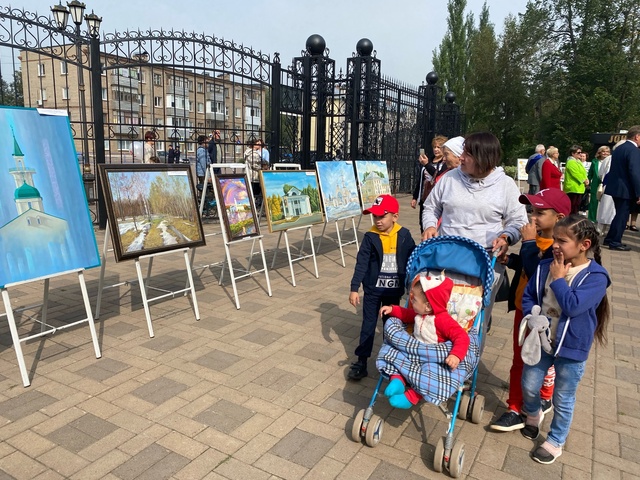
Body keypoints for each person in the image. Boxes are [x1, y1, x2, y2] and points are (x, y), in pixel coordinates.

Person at [520, 215, 610, 464]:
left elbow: (572, 306)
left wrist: (559, 279)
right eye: (555, 239)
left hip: (571, 347)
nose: (555, 245)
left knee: (563, 396)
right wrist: (532, 315)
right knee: (529, 383)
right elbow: (530, 295)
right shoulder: (544, 266)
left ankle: (556, 440)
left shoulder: (596, 277)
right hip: (542, 339)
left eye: (562, 240)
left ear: (584, 245)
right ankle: (534, 412)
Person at [422, 132, 528, 329]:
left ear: (484, 158)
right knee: (438, 316)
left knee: (471, 323)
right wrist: (429, 225)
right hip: (446, 260)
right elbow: (431, 207)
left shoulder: (505, 185)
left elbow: (518, 221)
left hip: (484, 263)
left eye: (467, 154)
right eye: (462, 152)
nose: (461, 157)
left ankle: (467, 357)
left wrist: (506, 237)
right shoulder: (449, 178)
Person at [490, 188, 571, 432]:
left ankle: (544, 397)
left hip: (546, 316)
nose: (532, 217)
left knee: (544, 360)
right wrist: (511, 261)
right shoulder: (536, 240)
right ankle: (514, 407)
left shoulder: (561, 247)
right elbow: (527, 266)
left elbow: (539, 268)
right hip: (522, 309)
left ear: (559, 218)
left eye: (539, 212)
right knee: (519, 359)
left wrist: (526, 243)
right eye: (531, 211)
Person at [348, 194, 416, 381]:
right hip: (372, 290)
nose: (377, 221)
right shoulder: (370, 237)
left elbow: (413, 258)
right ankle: (362, 361)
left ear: (395, 216)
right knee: (368, 325)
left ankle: (391, 360)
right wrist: (355, 288)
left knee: (391, 327)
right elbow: (361, 263)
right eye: (374, 216)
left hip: (393, 292)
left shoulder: (404, 235)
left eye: (382, 216)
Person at [378, 271, 469, 408]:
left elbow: (462, 336)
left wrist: (456, 355)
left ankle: (412, 396)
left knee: (432, 376)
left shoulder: (443, 320)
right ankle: (397, 380)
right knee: (392, 353)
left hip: (431, 358)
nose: (411, 301)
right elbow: (406, 314)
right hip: (413, 351)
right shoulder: (419, 313)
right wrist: (392, 309)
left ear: (427, 306)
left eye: (414, 300)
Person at [603, 126, 640, 250]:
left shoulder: (619, 148)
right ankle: (615, 241)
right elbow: (634, 172)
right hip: (625, 189)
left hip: (616, 187)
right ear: (637, 136)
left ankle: (609, 238)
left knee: (619, 214)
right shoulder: (633, 150)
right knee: (622, 216)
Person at [411, 135, 448, 233]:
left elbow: (439, 175)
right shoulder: (429, 161)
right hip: (425, 196)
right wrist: (415, 197)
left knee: (435, 223)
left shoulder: (445, 163)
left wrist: (426, 165)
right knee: (423, 223)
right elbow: (421, 181)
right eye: (434, 147)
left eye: (439, 147)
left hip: (437, 197)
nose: (436, 149)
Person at [596, 143, 620, 236]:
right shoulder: (609, 159)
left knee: (612, 210)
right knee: (605, 209)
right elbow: (601, 173)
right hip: (608, 185)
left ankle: (608, 231)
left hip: (616, 187)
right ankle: (599, 229)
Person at [562, 145, 588, 215]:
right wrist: (584, 180)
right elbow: (575, 173)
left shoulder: (578, 161)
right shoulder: (571, 162)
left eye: (580, 152)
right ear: (573, 153)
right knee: (572, 206)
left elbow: (583, 171)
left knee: (576, 206)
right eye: (578, 152)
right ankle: (570, 220)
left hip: (578, 188)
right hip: (572, 188)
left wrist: (586, 178)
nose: (580, 154)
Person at [587, 146, 608, 222]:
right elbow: (590, 173)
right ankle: (592, 218)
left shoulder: (611, 161)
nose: (605, 153)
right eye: (603, 151)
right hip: (595, 183)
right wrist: (588, 182)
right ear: (600, 152)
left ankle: (602, 219)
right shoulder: (594, 161)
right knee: (593, 202)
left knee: (605, 202)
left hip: (606, 183)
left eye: (607, 152)